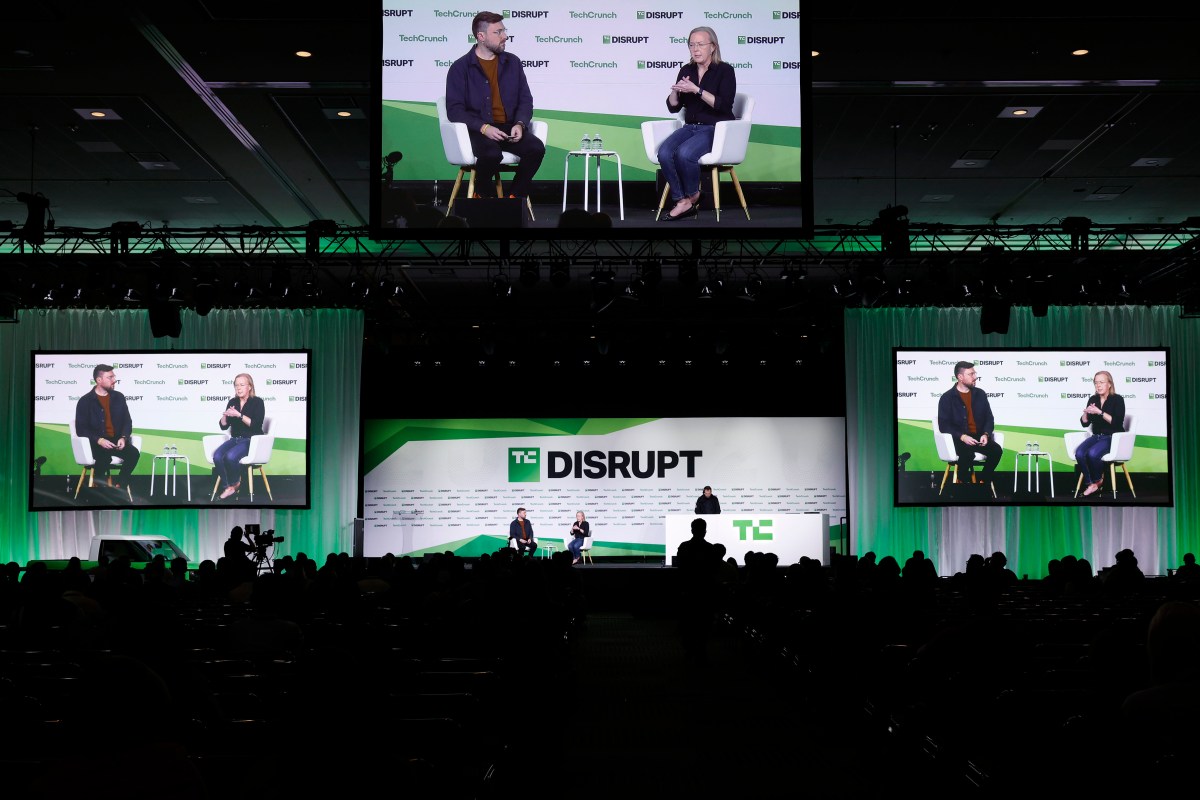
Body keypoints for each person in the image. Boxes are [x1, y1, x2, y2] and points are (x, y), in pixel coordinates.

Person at [445, 11, 545, 202]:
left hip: (508, 128)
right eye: (498, 32)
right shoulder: (460, 67)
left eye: (504, 31)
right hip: (477, 130)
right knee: (491, 154)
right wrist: (484, 128)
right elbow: (454, 110)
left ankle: (513, 198)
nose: (505, 36)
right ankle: (483, 194)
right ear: (481, 36)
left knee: (536, 148)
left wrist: (520, 124)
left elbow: (525, 100)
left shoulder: (513, 62)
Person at [657, 26, 736, 222]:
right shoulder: (687, 70)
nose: (695, 49)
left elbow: (723, 105)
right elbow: (674, 107)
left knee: (685, 154)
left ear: (713, 47)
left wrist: (697, 90)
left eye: (700, 44)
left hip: (714, 128)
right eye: (692, 45)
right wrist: (675, 91)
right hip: (690, 127)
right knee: (664, 152)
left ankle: (692, 196)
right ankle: (683, 200)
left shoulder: (725, 71)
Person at [74, 363, 141, 496]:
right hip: (95, 442)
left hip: (115, 440)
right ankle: (99, 491)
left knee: (133, 453)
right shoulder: (85, 401)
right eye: (110, 377)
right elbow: (81, 429)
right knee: (104, 458)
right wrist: (99, 440)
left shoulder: (119, 397)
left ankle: (119, 486)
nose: (114, 380)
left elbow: (127, 421)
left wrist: (123, 437)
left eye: (114, 376)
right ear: (99, 380)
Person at [937, 360, 1003, 488]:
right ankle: (962, 483)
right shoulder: (947, 397)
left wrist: (986, 434)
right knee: (967, 454)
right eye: (971, 374)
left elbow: (989, 418)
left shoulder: (980, 394)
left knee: (996, 450)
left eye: (975, 373)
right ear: (960, 377)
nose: (975, 377)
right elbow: (944, 425)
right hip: (959, 439)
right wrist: (962, 436)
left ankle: (983, 482)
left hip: (978, 437)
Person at [213, 373, 265, 501]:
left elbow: (255, 425)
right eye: (236, 385)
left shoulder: (257, 402)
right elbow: (224, 426)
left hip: (250, 440)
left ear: (250, 387)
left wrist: (239, 415)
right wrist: (225, 415)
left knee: (230, 456)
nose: (238, 388)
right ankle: (229, 487)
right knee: (217, 456)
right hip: (235, 439)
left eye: (242, 385)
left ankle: (235, 484)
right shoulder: (233, 402)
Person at [1075, 370, 1126, 497]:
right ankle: (1091, 484)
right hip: (1096, 436)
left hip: (1112, 437)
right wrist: (1086, 413)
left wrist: (1100, 412)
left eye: (1101, 382)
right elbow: (1085, 423)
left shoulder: (1118, 399)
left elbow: (1117, 423)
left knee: (1092, 454)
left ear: (1109, 384)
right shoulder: (1093, 399)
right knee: (1079, 453)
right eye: (1096, 383)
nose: (1098, 385)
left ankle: (1098, 481)